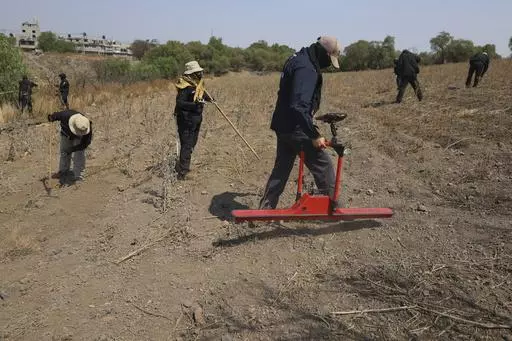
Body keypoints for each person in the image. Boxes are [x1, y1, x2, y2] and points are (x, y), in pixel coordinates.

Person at [259, 36, 341, 210]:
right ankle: (333, 209)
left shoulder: (298, 58)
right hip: (296, 127)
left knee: (281, 169)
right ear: (324, 53)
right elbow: (298, 106)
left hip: (283, 125)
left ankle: (265, 210)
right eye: (330, 59)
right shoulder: (307, 68)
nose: (328, 65)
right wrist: (314, 134)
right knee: (323, 164)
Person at [173, 61, 212, 180]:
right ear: (191, 73)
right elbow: (180, 103)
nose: (200, 73)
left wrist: (209, 98)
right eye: (197, 72)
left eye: (200, 71)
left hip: (196, 118)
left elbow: (202, 94)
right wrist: (194, 105)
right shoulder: (185, 86)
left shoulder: (196, 84)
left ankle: (182, 166)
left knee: (192, 144)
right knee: (187, 145)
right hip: (186, 119)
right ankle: (183, 173)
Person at [48, 109, 92, 184]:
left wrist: (72, 149)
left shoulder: (86, 126)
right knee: (64, 152)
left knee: (79, 154)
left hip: (79, 139)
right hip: (66, 134)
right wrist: (51, 117)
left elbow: (84, 144)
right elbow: (55, 115)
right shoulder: (65, 115)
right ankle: (63, 171)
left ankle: (79, 176)